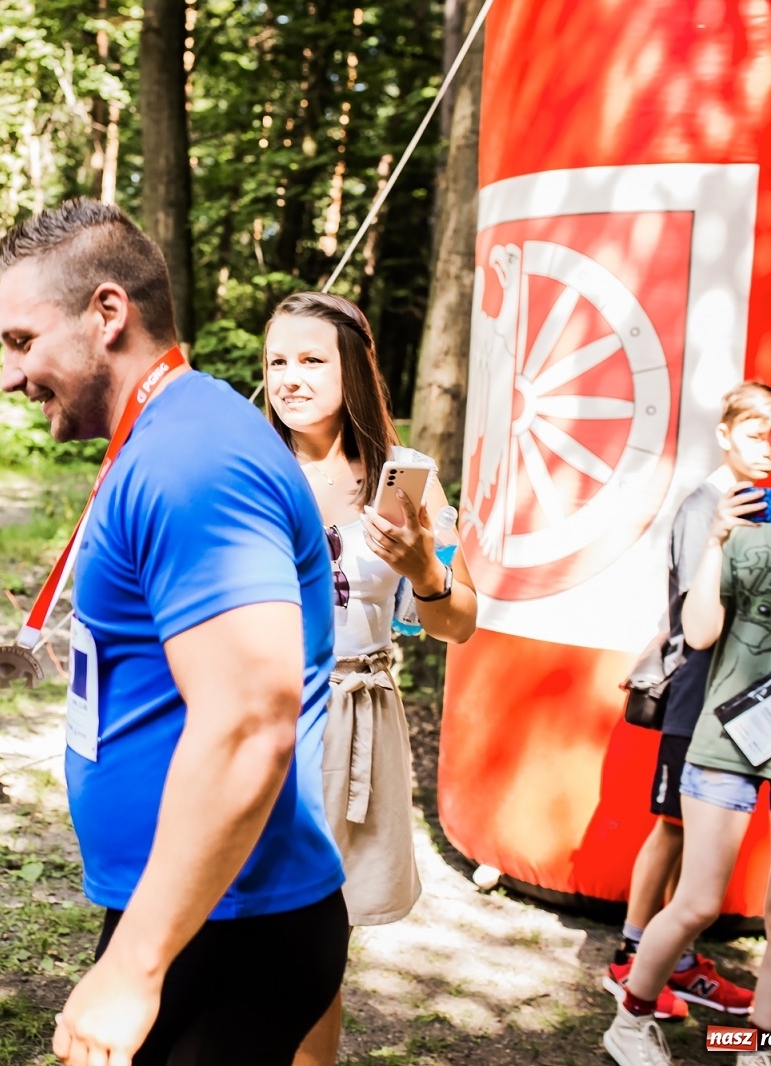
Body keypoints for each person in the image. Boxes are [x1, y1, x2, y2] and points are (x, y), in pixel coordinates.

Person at [0, 199, 348, 1066]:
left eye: (20, 341)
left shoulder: (192, 458)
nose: (10, 376)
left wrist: (134, 967)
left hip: (229, 924)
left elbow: (245, 723)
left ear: (106, 314)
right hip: (200, 906)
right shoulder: (167, 436)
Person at [603, 399, 771, 1066]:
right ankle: (631, 1020)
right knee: (694, 903)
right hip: (727, 739)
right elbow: (697, 634)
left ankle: (755, 1047)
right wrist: (718, 540)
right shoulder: (739, 531)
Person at [258, 292, 478, 1066]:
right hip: (254, 716)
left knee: (320, 941)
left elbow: (458, 623)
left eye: (312, 359)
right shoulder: (246, 464)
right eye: (277, 360)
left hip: (353, 715)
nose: (290, 377)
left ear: (353, 368)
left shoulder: (407, 478)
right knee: (234, 928)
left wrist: (424, 571)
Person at [604, 382, 771, 1022]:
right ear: (726, 433)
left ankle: (675, 960)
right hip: (698, 694)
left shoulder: (766, 504)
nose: (768, 446)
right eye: (756, 432)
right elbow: (696, 612)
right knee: (674, 825)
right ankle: (631, 954)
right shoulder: (704, 504)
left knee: (695, 835)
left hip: (744, 700)